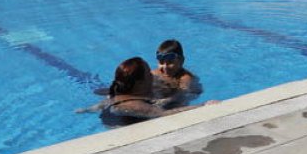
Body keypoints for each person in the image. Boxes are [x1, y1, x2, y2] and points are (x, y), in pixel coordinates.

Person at [77, 57, 214, 126]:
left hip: (111, 115)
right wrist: (203, 105)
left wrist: (85, 110)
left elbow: (102, 104)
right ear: (140, 82)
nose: (153, 75)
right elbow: (166, 114)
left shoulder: (118, 95)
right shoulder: (137, 106)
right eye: (148, 74)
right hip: (118, 126)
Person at [151, 39, 202, 106]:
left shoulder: (185, 77)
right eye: (161, 62)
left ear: (181, 61)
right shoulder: (155, 73)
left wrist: (165, 101)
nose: (165, 67)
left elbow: (182, 94)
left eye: (170, 62)